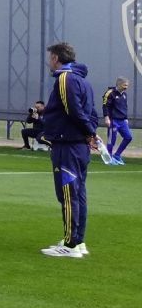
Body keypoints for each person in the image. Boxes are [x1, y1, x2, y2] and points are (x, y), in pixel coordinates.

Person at [40, 42, 100, 258]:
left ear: (56, 57)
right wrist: (90, 132)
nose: (50, 62)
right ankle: (79, 241)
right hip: (77, 145)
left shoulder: (65, 78)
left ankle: (70, 244)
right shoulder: (84, 81)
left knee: (67, 194)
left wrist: (89, 132)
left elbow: (72, 109)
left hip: (67, 145)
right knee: (78, 193)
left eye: (50, 58)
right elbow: (92, 112)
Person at [103, 78, 131, 164]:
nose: (126, 87)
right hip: (113, 120)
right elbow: (105, 106)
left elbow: (124, 107)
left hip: (122, 121)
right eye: (124, 85)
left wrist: (125, 118)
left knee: (128, 137)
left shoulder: (124, 94)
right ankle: (109, 158)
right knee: (112, 140)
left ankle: (117, 155)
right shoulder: (110, 93)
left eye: (127, 85)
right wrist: (106, 117)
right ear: (119, 84)